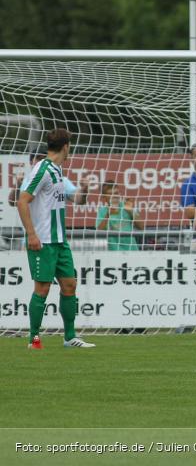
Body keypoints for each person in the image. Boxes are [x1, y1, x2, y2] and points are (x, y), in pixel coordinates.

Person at [17, 129, 94, 349]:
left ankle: (69, 337)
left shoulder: (58, 171)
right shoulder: (41, 170)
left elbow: (76, 199)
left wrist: (85, 188)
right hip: (43, 242)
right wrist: (31, 234)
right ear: (66, 146)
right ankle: (33, 339)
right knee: (41, 290)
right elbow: (23, 201)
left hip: (60, 242)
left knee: (69, 285)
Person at [8, 152, 88, 208]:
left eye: (45, 158)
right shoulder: (25, 182)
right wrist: (17, 186)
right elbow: (12, 202)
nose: (42, 162)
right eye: (39, 159)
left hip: (54, 231)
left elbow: (79, 200)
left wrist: (84, 190)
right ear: (31, 162)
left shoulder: (62, 181)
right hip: (33, 230)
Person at [96, 182, 144, 250]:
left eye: (116, 193)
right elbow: (98, 232)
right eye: (110, 194)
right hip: (114, 253)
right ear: (104, 197)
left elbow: (141, 227)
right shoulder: (102, 211)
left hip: (132, 251)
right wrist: (108, 215)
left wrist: (130, 211)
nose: (114, 196)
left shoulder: (126, 206)